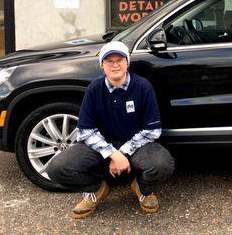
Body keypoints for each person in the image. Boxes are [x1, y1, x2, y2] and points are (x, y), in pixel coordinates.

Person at [47, 41, 174, 218]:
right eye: (109, 61)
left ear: (127, 62)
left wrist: (122, 152)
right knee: (57, 168)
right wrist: (113, 155)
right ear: (102, 65)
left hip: (136, 144)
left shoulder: (143, 87)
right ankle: (96, 190)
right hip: (101, 143)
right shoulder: (94, 89)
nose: (115, 65)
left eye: (120, 60)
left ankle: (143, 189)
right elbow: (85, 131)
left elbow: (153, 130)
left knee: (162, 164)